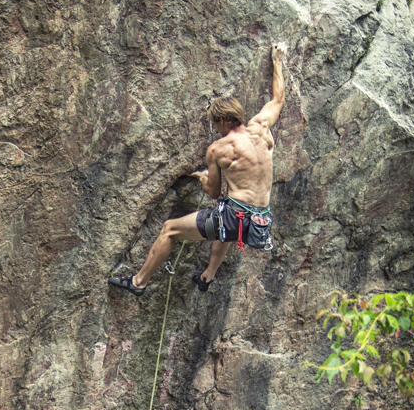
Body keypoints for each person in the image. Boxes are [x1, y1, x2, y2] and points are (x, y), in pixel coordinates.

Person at [108, 43, 285, 296]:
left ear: (222, 121)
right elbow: (278, 99)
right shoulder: (262, 128)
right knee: (224, 223)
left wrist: (204, 177)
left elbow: (212, 193)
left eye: (215, 125)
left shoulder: (219, 149)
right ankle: (207, 276)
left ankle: (138, 283)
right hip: (260, 222)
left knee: (170, 229)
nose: (215, 130)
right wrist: (277, 61)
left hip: (235, 219)